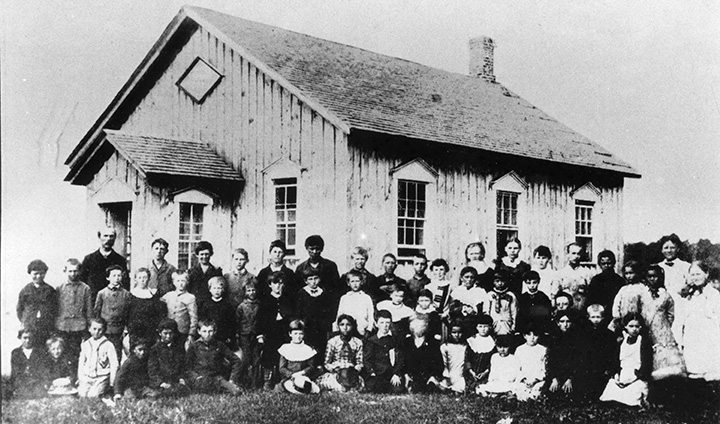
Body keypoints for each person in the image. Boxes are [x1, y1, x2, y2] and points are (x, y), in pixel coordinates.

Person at [641, 265, 686, 406]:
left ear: (660, 278)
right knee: (648, 362)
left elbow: (670, 315)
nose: (652, 279)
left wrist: (663, 326)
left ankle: (666, 396)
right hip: (646, 331)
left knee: (664, 365)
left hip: (662, 331)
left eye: (655, 276)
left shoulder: (665, 295)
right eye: (649, 276)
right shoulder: (642, 294)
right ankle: (649, 396)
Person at [678, 261, 720, 381]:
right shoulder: (688, 296)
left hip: (709, 342)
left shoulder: (714, 295)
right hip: (691, 341)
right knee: (693, 376)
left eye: (698, 274)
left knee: (710, 377)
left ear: (706, 274)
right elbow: (682, 320)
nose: (695, 278)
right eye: (692, 275)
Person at [599, 313, 651, 407]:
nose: (634, 329)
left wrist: (634, 377)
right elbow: (616, 362)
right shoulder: (621, 342)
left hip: (636, 376)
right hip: (622, 374)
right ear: (626, 327)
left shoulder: (644, 342)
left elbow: (646, 364)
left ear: (641, 327)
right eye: (631, 326)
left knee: (634, 391)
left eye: (637, 326)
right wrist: (616, 376)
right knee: (612, 388)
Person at [257, 271, 295, 389]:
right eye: (275, 283)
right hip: (270, 331)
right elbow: (260, 319)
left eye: (280, 283)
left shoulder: (287, 299)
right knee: (269, 354)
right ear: (270, 285)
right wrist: (260, 335)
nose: (277, 286)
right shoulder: (265, 300)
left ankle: (281, 378)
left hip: (284, 331)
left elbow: (291, 316)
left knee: (284, 354)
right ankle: (267, 380)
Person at [185, 319, 241, 395]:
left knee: (236, 392)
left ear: (214, 332)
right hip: (201, 379)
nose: (207, 334)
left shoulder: (219, 345)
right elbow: (187, 366)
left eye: (210, 331)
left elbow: (236, 361)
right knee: (202, 391)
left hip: (217, 378)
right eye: (204, 331)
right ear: (199, 331)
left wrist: (232, 380)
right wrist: (195, 377)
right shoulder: (194, 346)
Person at [577, 304, 618, 403]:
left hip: (602, 367)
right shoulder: (584, 333)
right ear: (588, 317)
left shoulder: (609, 335)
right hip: (588, 366)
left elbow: (613, 353)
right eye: (593, 317)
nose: (596, 320)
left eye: (598, 317)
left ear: (603, 317)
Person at [55, 258, 92, 361]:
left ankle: (75, 375)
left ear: (79, 271)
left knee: (76, 353)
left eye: (75, 271)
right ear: (65, 271)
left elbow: (89, 309)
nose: (73, 274)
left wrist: (89, 326)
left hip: (79, 327)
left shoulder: (85, 288)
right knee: (62, 352)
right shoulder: (60, 288)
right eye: (70, 271)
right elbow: (56, 307)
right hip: (63, 326)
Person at [93, 264, 131, 361]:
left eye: (119, 275)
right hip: (105, 330)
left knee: (116, 353)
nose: (117, 278)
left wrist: (125, 329)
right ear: (108, 277)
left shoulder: (126, 294)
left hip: (119, 329)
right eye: (114, 275)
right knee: (103, 352)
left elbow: (128, 312)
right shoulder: (102, 293)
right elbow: (97, 312)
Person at [17, 259, 58, 347]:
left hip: (46, 327)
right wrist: (27, 320)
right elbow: (19, 310)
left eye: (41, 273)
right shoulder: (25, 291)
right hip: (30, 326)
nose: (38, 276)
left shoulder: (50, 290)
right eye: (35, 274)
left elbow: (55, 309)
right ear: (30, 273)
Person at [317, 315, 364, 392]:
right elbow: (326, 362)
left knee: (356, 384)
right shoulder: (333, 341)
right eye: (342, 325)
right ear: (338, 326)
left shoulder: (358, 342)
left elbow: (360, 362)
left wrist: (356, 369)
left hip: (351, 372)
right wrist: (334, 369)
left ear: (352, 326)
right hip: (336, 371)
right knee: (336, 385)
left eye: (348, 325)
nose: (345, 328)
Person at [80, 226, 128, 300]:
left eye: (111, 236)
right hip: (93, 301)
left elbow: (125, 283)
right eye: (105, 236)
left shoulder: (120, 260)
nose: (108, 239)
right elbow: (82, 283)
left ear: (115, 238)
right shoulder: (89, 259)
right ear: (99, 237)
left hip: (114, 301)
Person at [295, 267, 334, 356]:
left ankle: (320, 364)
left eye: (316, 278)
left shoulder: (324, 292)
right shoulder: (302, 293)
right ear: (306, 281)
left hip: (321, 325)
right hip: (307, 324)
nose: (313, 281)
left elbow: (329, 309)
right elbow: (298, 309)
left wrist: (327, 321)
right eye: (310, 279)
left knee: (321, 344)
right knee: (308, 344)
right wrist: (301, 321)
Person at [399, 317, 443, 393]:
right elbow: (402, 362)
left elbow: (439, 363)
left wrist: (433, 377)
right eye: (416, 326)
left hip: (427, 376)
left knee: (428, 389)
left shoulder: (433, 343)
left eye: (422, 326)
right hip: (410, 376)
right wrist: (406, 375)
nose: (419, 328)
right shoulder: (406, 342)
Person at [363, 310, 403, 393]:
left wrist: (396, 373)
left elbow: (400, 358)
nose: (385, 325)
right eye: (382, 322)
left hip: (391, 373)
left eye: (387, 322)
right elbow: (367, 359)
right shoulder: (372, 340)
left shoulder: (395, 339)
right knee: (375, 388)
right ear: (376, 324)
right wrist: (372, 372)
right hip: (377, 374)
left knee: (398, 389)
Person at [78, 318, 119, 398]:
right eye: (94, 329)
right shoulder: (86, 344)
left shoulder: (108, 345)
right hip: (87, 377)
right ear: (89, 329)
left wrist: (112, 382)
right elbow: (81, 362)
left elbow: (114, 364)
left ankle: (106, 392)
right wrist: (81, 378)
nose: (97, 332)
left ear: (104, 330)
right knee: (82, 394)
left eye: (100, 329)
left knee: (92, 396)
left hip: (101, 377)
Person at [276, 320, 321, 393]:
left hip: (303, 375)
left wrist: (301, 373)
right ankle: (296, 388)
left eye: (301, 334)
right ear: (290, 334)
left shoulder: (308, 349)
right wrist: (292, 374)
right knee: (290, 384)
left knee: (303, 382)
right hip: (289, 377)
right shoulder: (285, 348)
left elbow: (311, 367)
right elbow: (282, 368)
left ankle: (304, 388)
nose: (298, 336)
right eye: (295, 333)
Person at [546, 310, 581, 402]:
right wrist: (554, 378)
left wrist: (570, 379)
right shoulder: (553, 339)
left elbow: (578, 361)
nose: (565, 325)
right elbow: (550, 361)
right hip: (557, 375)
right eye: (562, 321)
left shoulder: (577, 340)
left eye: (568, 321)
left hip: (571, 375)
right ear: (558, 323)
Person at [127, 268, 167, 345]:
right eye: (139, 278)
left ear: (149, 279)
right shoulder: (130, 295)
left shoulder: (153, 295)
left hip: (149, 331)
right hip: (134, 331)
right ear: (135, 279)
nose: (142, 280)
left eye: (144, 278)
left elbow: (157, 314)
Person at [148, 319, 187, 395]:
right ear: (159, 333)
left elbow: (182, 366)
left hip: (175, 381)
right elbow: (152, 371)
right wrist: (161, 383)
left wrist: (181, 378)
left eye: (170, 333)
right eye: (165, 333)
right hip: (161, 382)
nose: (168, 336)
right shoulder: (155, 349)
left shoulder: (178, 348)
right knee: (161, 392)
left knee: (182, 389)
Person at [197, 276, 237, 350]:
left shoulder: (227, 305)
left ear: (223, 290)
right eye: (214, 288)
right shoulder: (205, 304)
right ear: (210, 290)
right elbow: (202, 320)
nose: (217, 291)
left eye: (219, 288)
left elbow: (231, 322)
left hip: (223, 335)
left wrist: (230, 336)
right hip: (209, 335)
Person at [236, 281, 262, 388]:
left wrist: (261, 335)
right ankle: (244, 383)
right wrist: (237, 335)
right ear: (245, 292)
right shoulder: (241, 307)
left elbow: (261, 321)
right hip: (244, 335)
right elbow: (237, 322)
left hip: (256, 336)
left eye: (253, 290)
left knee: (256, 359)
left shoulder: (259, 305)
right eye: (249, 290)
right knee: (245, 359)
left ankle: (255, 384)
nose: (251, 292)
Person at [161, 270, 198, 345]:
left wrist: (191, 334)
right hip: (169, 331)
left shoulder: (190, 297)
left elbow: (194, 317)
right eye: (178, 281)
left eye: (183, 281)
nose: (180, 283)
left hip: (182, 332)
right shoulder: (168, 295)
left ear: (187, 282)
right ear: (174, 282)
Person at [335, 269, 375, 337]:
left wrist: (369, 330)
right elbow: (339, 315)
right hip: (347, 330)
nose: (355, 284)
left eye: (357, 281)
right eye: (352, 281)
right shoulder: (344, 298)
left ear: (361, 282)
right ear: (348, 283)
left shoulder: (366, 298)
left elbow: (371, 317)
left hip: (362, 330)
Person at [586, 250, 625, 320]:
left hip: (614, 314)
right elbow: (591, 299)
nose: (606, 266)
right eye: (603, 264)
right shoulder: (596, 280)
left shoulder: (620, 280)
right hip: (599, 315)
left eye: (609, 263)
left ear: (614, 263)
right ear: (599, 264)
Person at [611, 261, 648, 333]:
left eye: (631, 273)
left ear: (637, 273)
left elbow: (645, 305)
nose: (629, 276)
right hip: (623, 320)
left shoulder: (642, 288)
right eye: (626, 274)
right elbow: (617, 303)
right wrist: (617, 316)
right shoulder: (623, 289)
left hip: (636, 321)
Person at [10, 329, 48, 399]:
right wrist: (14, 387)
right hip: (22, 383)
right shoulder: (16, 353)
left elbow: (43, 370)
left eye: (30, 338)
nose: (27, 341)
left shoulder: (40, 352)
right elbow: (15, 372)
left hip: (37, 383)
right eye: (25, 338)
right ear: (20, 338)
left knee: (39, 396)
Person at [514, 324, 547, 401]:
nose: (532, 338)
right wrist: (524, 379)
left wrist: (535, 380)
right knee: (519, 388)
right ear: (524, 336)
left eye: (535, 335)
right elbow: (516, 368)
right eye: (529, 335)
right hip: (524, 379)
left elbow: (544, 368)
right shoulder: (519, 349)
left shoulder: (543, 350)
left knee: (538, 389)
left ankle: (533, 399)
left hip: (537, 379)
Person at [556, 243, 592, 312]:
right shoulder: (560, 273)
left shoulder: (586, 273)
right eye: (573, 253)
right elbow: (555, 293)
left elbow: (590, 293)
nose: (576, 256)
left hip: (581, 309)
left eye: (578, 254)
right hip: (565, 311)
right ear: (568, 254)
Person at [465, 314, 496, 393]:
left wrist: (485, 372)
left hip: (486, 373)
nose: (483, 329)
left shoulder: (493, 341)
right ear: (476, 327)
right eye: (480, 326)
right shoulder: (472, 340)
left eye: (485, 326)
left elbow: (493, 361)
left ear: (490, 327)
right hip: (471, 372)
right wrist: (471, 371)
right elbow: (467, 358)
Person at [516, 270, 552, 335]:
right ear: (525, 283)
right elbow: (520, 315)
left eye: (534, 282)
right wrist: (518, 329)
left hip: (540, 328)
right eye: (529, 283)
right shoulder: (522, 298)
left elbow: (547, 315)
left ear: (538, 282)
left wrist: (547, 329)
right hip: (525, 328)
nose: (532, 285)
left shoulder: (543, 297)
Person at [655, 234, 691, 298]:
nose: (669, 251)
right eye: (666, 248)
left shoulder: (686, 266)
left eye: (672, 248)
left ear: (678, 249)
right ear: (662, 250)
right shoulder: (657, 267)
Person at [487, 269, 518, 336]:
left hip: (506, 323)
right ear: (493, 282)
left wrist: (513, 326)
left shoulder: (510, 295)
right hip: (494, 324)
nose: (500, 283)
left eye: (502, 281)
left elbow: (514, 312)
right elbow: (486, 310)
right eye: (497, 281)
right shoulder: (490, 295)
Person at [438, 321, 467, 393]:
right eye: (454, 333)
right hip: (448, 376)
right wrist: (446, 376)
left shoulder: (465, 346)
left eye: (459, 332)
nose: (457, 335)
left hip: (460, 376)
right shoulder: (445, 346)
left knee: (461, 387)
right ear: (450, 333)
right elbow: (444, 363)